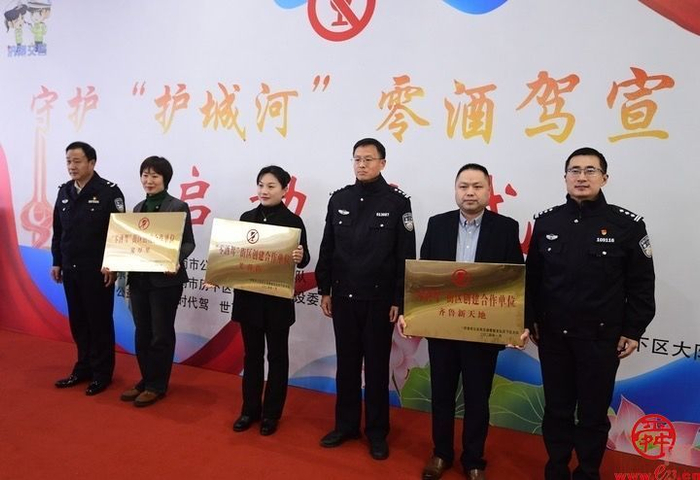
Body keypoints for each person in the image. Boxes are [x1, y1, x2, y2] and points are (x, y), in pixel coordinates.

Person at [525, 147, 655, 480]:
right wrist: (531, 319)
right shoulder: (547, 222)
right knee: (557, 410)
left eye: (590, 171)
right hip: (554, 337)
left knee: (593, 415)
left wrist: (633, 330)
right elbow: (532, 280)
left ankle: (587, 471)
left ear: (604, 178)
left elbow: (642, 284)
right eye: (575, 171)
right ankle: (556, 469)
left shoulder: (626, 225)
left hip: (600, 339)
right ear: (565, 177)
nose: (581, 177)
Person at [399, 163, 528, 480]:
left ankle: (473, 460)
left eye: (477, 186)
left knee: (477, 399)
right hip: (443, 327)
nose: (470, 192)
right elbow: (424, 276)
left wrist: (519, 323)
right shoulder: (438, 224)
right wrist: (410, 313)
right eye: (464, 186)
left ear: (488, 191)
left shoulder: (505, 228)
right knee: (442, 395)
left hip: (482, 330)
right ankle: (441, 454)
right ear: (456, 190)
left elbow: (514, 280)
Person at [316, 137, 416, 460]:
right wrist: (324, 289)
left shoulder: (397, 203)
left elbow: (405, 255)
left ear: (382, 163)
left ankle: (376, 432)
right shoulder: (340, 199)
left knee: (376, 368)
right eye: (357, 159)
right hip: (343, 297)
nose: (362, 164)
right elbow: (328, 246)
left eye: (369, 159)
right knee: (346, 365)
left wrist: (399, 298)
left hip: (379, 301)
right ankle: (345, 426)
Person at [231, 165, 310, 436]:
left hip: (277, 301)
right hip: (249, 299)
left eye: (271, 186)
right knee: (251, 356)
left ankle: (271, 414)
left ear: (285, 190)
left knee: (277, 358)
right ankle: (249, 410)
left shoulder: (293, 222)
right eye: (261, 185)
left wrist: (300, 256)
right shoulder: (246, 218)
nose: (264, 191)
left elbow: (305, 258)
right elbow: (234, 256)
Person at [115, 156, 195, 407]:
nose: (149, 181)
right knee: (142, 333)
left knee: (161, 334)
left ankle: (157, 385)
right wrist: (115, 260)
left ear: (165, 179)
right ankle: (146, 378)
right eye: (145, 175)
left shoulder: (177, 206)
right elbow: (131, 244)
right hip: (139, 279)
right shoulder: (138, 208)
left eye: (155, 176)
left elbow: (188, 243)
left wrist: (175, 259)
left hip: (166, 282)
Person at [51, 141, 125, 396]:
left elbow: (119, 234)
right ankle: (83, 367)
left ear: (92, 163)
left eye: (77, 161)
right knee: (79, 321)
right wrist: (57, 261)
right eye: (68, 161)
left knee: (99, 321)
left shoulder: (108, 192)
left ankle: (102, 373)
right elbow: (58, 230)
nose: (72, 166)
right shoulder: (64, 191)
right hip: (71, 269)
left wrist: (112, 265)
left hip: (98, 271)